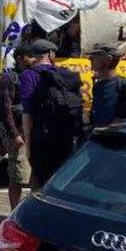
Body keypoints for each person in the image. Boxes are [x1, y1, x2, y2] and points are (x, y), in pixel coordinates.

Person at [21, 39, 83, 188]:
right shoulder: (65, 74)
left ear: (35, 56)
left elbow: (27, 113)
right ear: (50, 54)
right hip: (65, 135)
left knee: (40, 181)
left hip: (42, 136)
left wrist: (28, 145)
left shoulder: (28, 75)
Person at [0, 47, 32, 209]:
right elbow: (5, 108)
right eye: (29, 56)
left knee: (34, 176)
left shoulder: (35, 76)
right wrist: (14, 134)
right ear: (19, 58)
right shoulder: (10, 78)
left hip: (33, 131)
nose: (33, 59)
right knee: (17, 176)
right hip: (18, 132)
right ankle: (14, 211)